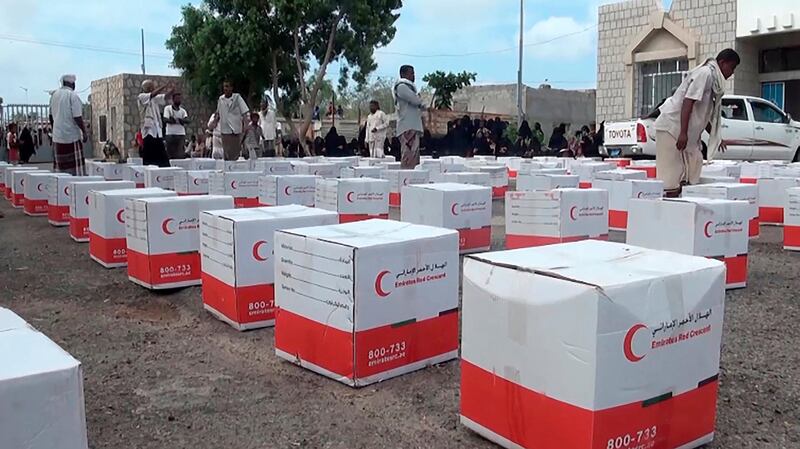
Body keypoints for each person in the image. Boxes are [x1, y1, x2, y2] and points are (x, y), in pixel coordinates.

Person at [654, 48, 740, 196]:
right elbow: (688, 103)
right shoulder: (705, 74)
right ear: (722, 63)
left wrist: (716, 137)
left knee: (693, 168)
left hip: (683, 132)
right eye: (731, 67)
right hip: (672, 129)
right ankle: (667, 209)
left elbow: (702, 115)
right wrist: (682, 134)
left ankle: (682, 206)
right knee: (672, 177)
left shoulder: (714, 80)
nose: (732, 73)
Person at [49, 74, 88, 174]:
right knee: (76, 172)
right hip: (72, 138)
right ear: (72, 84)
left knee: (60, 171)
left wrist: (55, 130)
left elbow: (50, 117)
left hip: (57, 138)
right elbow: (77, 117)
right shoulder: (72, 96)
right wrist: (84, 132)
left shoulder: (54, 95)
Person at [393, 65, 426, 168]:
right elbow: (415, 100)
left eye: (413, 73)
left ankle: (410, 178)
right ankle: (406, 179)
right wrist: (422, 103)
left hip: (412, 127)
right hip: (408, 127)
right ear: (403, 74)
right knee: (409, 157)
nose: (413, 76)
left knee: (414, 157)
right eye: (411, 73)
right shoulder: (401, 87)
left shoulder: (409, 88)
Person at [138, 79, 173, 167]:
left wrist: (171, 90)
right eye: (152, 86)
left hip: (157, 129)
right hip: (148, 129)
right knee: (149, 151)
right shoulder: (142, 97)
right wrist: (163, 86)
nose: (153, 88)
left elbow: (164, 97)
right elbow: (153, 94)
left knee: (161, 151)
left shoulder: (154, 99)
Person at [215, 80, 250, 161]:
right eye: (224, 86)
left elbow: (245, 112)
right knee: (226, 155)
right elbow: (218, 113)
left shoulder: (237, 98)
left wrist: (246, 125)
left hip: (235, 131)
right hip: (225, 131)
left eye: (227, 86)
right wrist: (214, 122)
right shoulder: (221, 99)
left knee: (234, 155)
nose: (225, 89)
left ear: (231, 88)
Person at [163, 92, 189, 159]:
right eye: (177, 98)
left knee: (180, 154)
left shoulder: (183, 111)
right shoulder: (168, 108)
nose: (178, 100)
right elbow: (165, 119)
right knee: (170, 154)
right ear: (173, 99)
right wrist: (177, 121)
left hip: (181, 134)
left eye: (179, 99)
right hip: (170, 134)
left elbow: (186, 120)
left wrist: (176, 120)